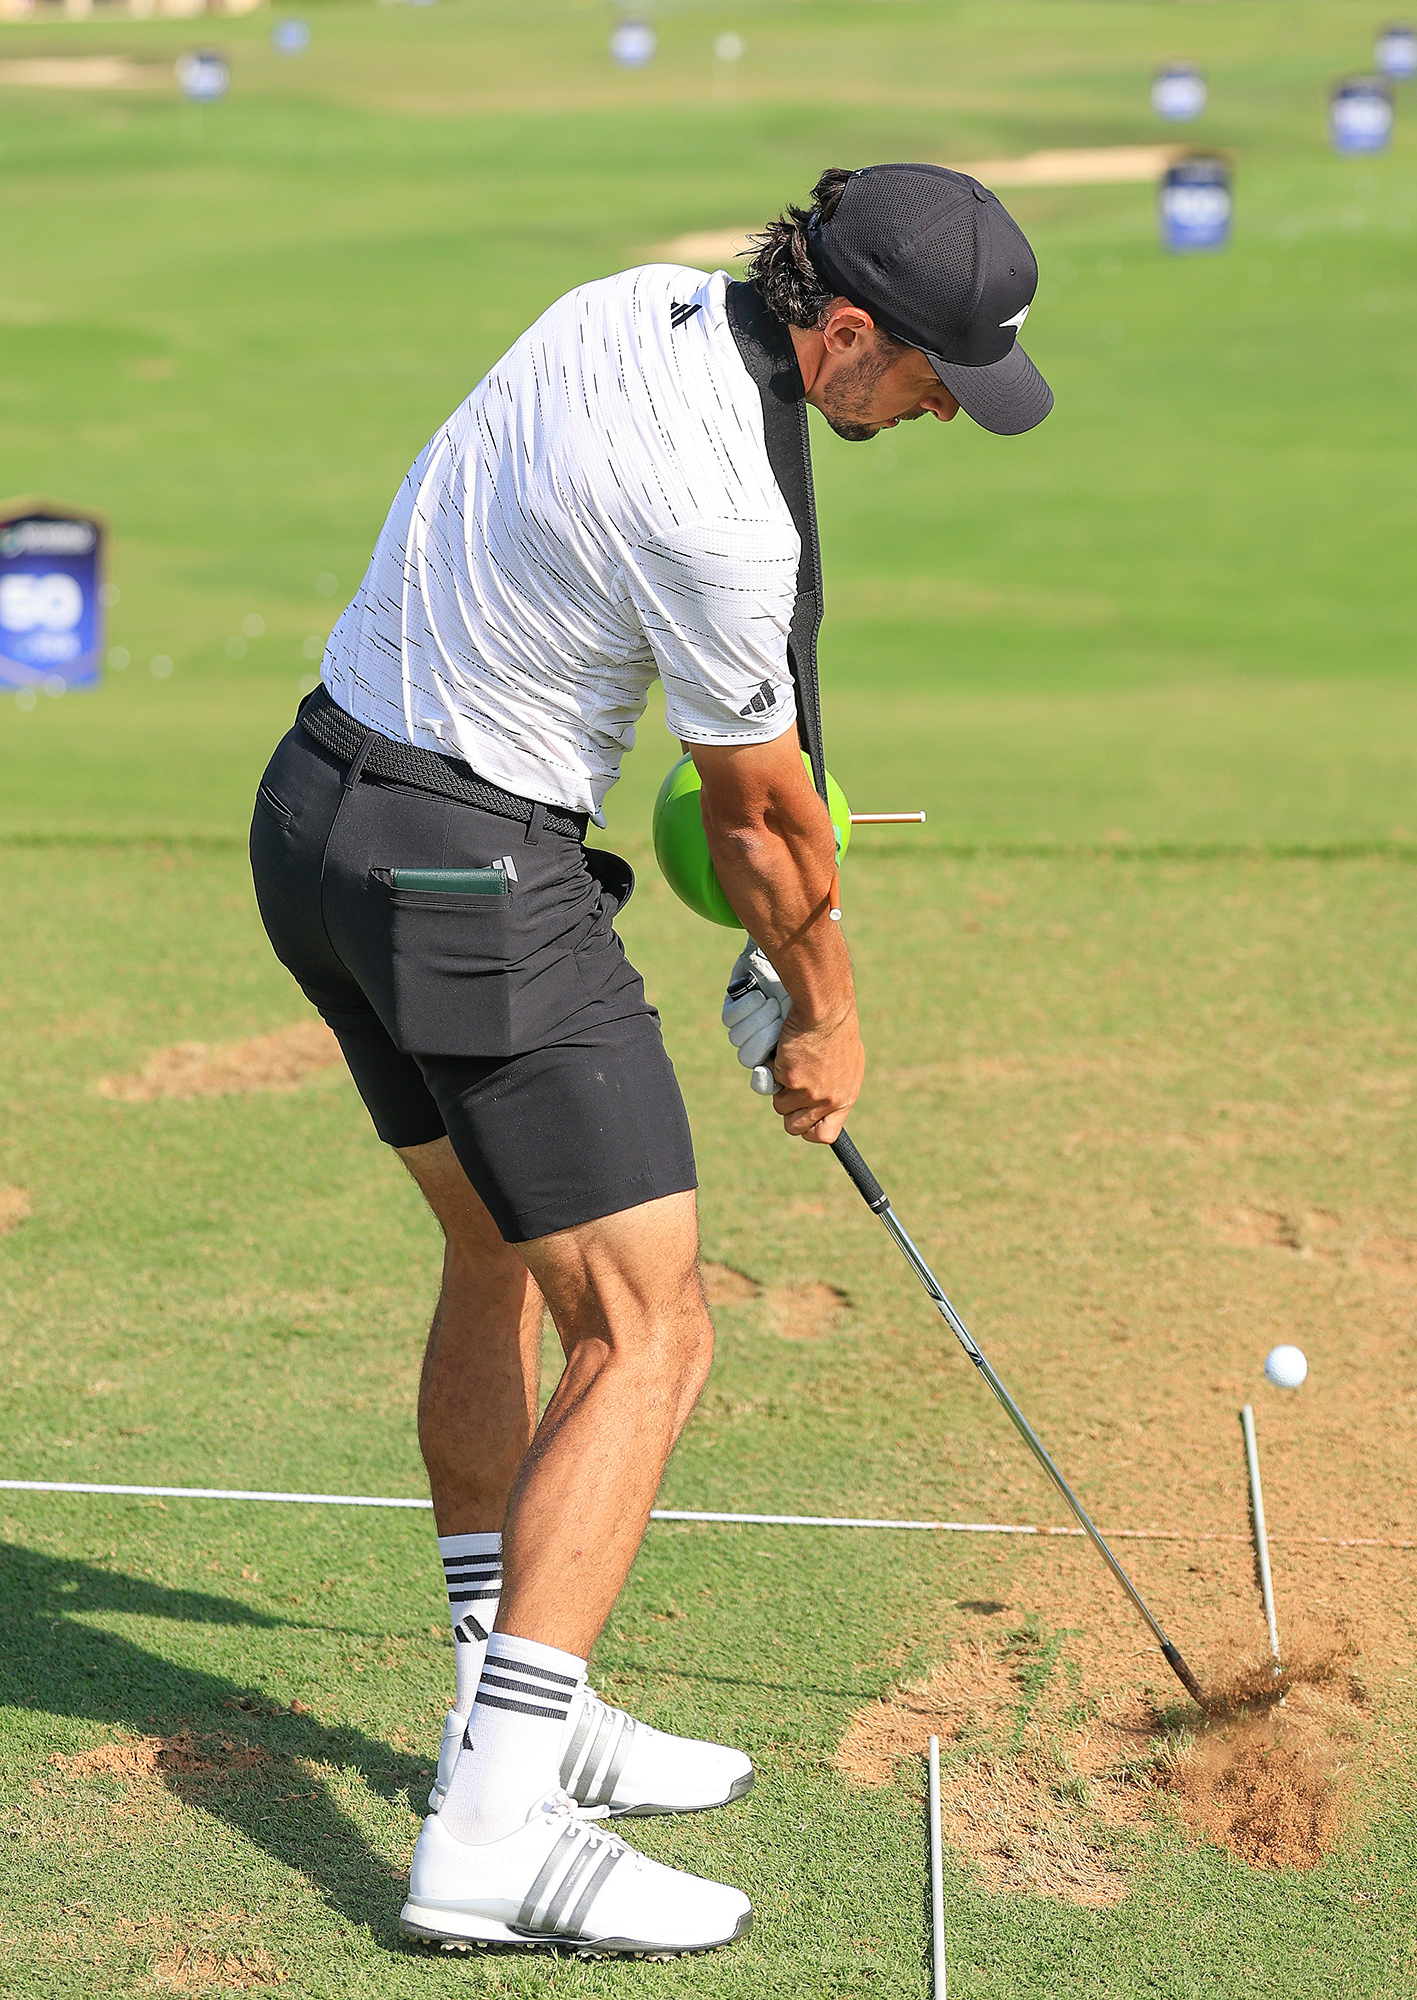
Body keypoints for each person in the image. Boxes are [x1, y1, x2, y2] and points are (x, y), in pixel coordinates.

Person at [248, 162, 1051, 1958]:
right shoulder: (727, 516)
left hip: (314, 819)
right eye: (928, 377)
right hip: (470, 874)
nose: (935, 410)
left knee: (499, 1253)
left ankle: (499, 1703)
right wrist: (822, 997)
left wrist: (766, 932)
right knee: (653, 1328)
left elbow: (724, 805)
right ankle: (497, 1826)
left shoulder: (634, 303)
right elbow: (759, 823)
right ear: (844, 332)